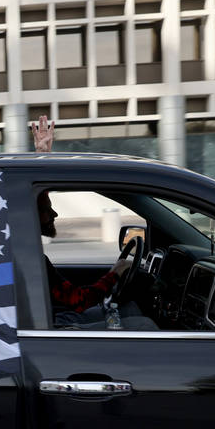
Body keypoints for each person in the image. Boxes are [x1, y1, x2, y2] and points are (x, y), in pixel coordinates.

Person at [31, 115, 138, 327]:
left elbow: (33, 195)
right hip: (60, 325)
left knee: (131, 310)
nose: (55, 214)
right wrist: (116, 273)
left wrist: (42, 158)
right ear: (32, 215)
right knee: (144, 326)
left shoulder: (31, 255)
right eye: (47, 210)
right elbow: (79, 301)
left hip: (58, 316)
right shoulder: (34, 261)